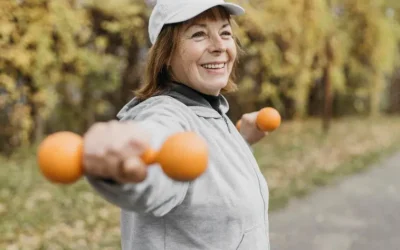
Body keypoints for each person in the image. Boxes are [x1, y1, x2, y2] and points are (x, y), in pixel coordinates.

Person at [84, 0, 271, 249]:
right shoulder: (165, 116)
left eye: (225, 32)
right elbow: (158, 162)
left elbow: (207, 180)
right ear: (166, 55)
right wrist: (125, 169)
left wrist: (241, 141)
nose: (219, 46)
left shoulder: (207, 109)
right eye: (199, 34)